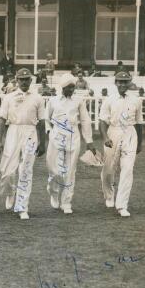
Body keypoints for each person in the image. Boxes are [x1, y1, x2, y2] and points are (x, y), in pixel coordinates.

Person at [0, 68, 46, 220]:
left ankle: (22, 206)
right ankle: (11, 192)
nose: (24, 82)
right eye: (21, 79)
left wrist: (42, 143)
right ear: (16, 80)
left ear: (31, 80)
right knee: (8, 171)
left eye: (27, 79)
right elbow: (2, 119)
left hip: (30, 133)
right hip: (13, 132)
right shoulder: (9, 97)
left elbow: (42, 122)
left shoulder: (37, 98)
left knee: (25, 170)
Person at [45, 73, 95, 214]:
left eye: (73, 87)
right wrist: (49, 131)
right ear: (63, 87)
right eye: (69, 87)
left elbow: (85, 121)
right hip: (57, 135)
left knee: (70, 170)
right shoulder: (53, 101)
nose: (71, 90)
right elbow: (46, 119)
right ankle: (54, 193)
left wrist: (89, 140)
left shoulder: (78, 101)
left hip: (73, 136)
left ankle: (66, 202)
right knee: (54, 170)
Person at [99, 71, 143, 217]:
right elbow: (102, 122)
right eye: (120, 82)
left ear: (130, 83)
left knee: (128, 169)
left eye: (125, 82)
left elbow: (138, 123)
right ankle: (109, 195)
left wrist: (140, 143)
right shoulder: (109, 100)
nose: (122, 85)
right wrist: (105, 137)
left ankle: (122, 204)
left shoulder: (136, 100)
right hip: (113, 133)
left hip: (130, 134)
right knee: (109, 168)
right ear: (115, 83)